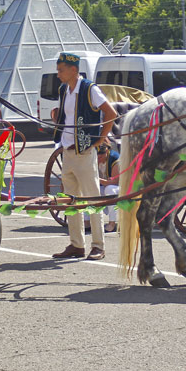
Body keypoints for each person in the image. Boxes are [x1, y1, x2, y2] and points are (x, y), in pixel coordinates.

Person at [51, 52, 117, 260]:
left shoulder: (89, 89)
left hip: (85, 152)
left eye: (61, 70)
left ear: (73, 70)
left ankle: (98, 245)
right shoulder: (64, 90)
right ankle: (76, 244)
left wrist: (100, 139)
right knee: (69, 201)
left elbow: (111, 113)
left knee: (92, 199)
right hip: (68, 151)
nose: (58, 73)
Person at [97, 141, 120, 233]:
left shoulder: (114, 159)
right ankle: (87, 222)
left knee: (109, 189)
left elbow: (115, 182)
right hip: (104, 185)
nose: (98, 159)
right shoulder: (94, 159)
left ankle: (112, 223)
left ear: (106, 152)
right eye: (97, 157)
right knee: (90, 190)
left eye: (101, 157)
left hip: (121, 188)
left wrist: (97, 179)